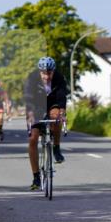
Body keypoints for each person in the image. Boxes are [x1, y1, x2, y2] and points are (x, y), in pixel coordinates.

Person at [24, 57, 68, 190]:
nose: (47, 76)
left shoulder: (59, 77)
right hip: (36, 106)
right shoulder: (32, 78)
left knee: (56, 116)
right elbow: (28, 97)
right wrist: (30, 113)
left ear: (53, 71)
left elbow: (62, 95)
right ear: (39, 72)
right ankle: (36, 177)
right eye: (44, 73)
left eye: (49, 73)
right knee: (33, 138)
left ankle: (56, 148)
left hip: (52, 103)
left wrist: (62, 111)